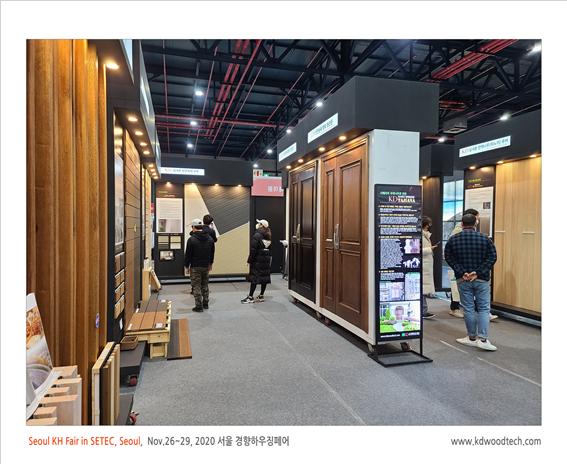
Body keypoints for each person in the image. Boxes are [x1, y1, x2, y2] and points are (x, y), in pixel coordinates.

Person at [444, 213, 498, 351]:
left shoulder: (453, 240)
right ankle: (483, 339)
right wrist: (477, 272)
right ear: (475, 224)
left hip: (463, 279)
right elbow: (492, 257)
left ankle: (471, 337)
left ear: (462, 224)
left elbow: (448, 258)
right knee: (484, 308)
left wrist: (463, 272)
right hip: (482, 279)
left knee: (468, 308)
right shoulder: (485, 239)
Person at [184, 218, 215, 312]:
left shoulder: (191, 240)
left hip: (195, 266)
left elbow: (188, 255)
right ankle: (205, 303)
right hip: (206, 265)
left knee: (196, 286)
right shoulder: (210, 239)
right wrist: (210, 263)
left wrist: (186, 266)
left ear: (193, 227)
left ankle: (199, 306)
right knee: (205, 285)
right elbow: (212, 253)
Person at [241, 219, 272, 304]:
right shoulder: (268, 234)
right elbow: (269, 248)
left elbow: (253, 249)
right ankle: (261, 295)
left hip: (257, 259)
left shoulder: (257, 235)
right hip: (266, 259)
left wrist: (249, 260)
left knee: (254, 277)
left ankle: (250, 297)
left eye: (259, 223)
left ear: (261, 225)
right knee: (264, 277)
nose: (257, 224)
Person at [421, 216, 436, 319]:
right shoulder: (421, 235)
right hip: (423, 265)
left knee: (423, 288)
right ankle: (423, 311)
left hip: (426, 265)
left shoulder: (425, 235)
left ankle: (424, 310)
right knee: (422, 288)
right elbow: (416, 250)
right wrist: (430, 249)